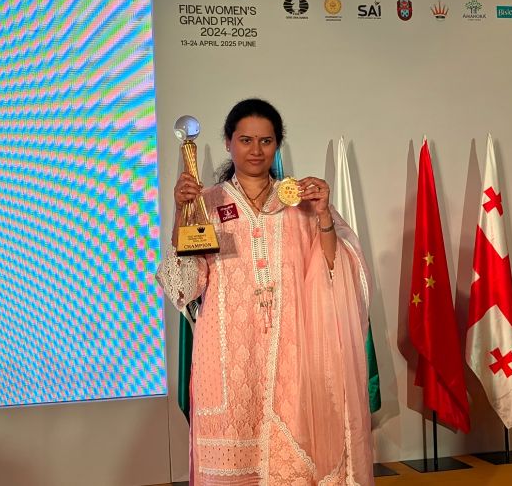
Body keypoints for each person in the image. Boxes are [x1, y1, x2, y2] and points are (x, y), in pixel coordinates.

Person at [157, 98, 374, 485]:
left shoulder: (299, 204)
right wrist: (181, 212)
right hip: (226, 357)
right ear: (228, 143)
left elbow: (333, 271)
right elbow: (186, 286)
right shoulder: (209, 203)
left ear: (277, 145)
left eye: (266, 141)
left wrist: (324, 214)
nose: (255, 150)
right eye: (245, 140)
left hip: (292, 357)